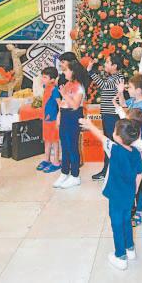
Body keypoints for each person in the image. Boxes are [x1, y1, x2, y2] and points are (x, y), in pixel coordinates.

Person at [80, 118, 142, 271]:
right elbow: (139, 173)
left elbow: (101, 137)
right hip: (129, 194)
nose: (112, 133)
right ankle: (130, 248)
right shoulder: (136, 153)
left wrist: (90, 125)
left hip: (116, 195)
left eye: (114, 131)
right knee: (126, 220)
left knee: (117, 223)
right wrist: (134, 191)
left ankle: (120, 256)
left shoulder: (114, 149)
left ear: (118, 138)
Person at [115, 75, 142, 225]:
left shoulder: (141, 107)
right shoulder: (135, 101)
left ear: (139, 90)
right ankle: (136, 204)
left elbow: (127, 118)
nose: (128, 89)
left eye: (130, 87)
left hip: (138, 148)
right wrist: (120, 93)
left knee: (138, 181)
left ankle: (139, 209)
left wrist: (120, 109)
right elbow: (124, 105)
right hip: (132, 145)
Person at [87, 54, 125, 181]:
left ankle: (108, 171)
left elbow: (103, 85)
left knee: (110, 143)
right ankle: (108, 170)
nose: (105, 65)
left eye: (108, 62)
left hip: (112, 115)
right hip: (108, 114)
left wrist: (91, 72)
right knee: (109, 142)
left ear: (115, 66)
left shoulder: (118, 77)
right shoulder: (113, 77)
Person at [53, 60, 87, 189]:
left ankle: (75, 175)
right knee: (65, 146)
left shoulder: (79, 87)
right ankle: (64, 172)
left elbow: (75, 105)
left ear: (73, 71)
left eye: (66, 70)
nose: (64, 72)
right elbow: (63, 103)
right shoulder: (67, 84)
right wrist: (59, 117)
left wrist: (64, 94)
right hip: (64, 116)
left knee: (72, 146)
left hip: (73, 116)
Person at [37, 66, 61, 173]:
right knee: (47, 140)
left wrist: (58, 117)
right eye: (42, 77)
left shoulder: (54, 90)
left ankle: (56, 162)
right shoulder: (45, 87)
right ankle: (46, 160)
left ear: (52, 80)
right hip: (45, 120)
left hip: (53, 120)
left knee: (55, 141)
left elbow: (60, 104)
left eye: (45, 77)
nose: (42, 79)